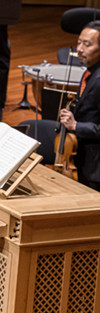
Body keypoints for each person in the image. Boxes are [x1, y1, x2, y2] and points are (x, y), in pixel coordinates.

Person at [60, 22, 100, 190]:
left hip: (96, 167)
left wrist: (76, 125)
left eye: (87, 44)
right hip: (81, 157)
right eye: (79, 42)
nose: (80, 49)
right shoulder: (88, 72)